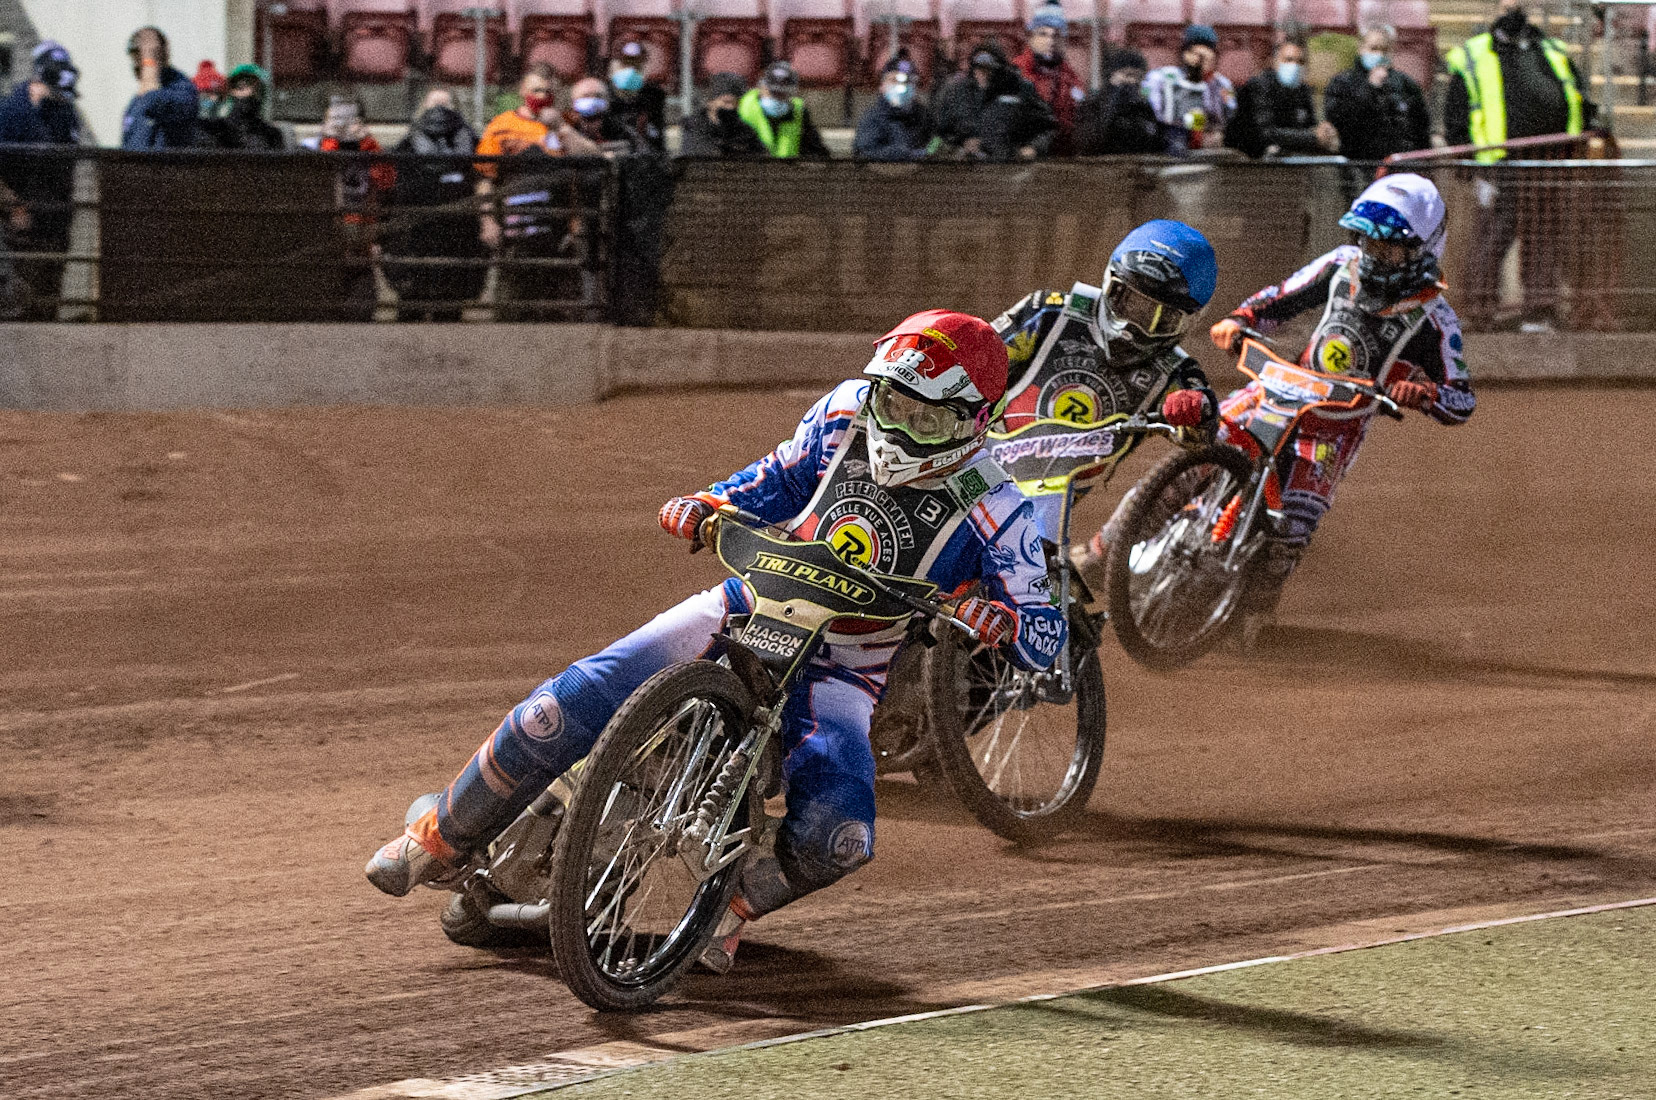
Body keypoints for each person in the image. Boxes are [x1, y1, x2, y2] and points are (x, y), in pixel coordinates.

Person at [364, 309, 1068, 974]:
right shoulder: (846, 410)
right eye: (892, 402)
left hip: (843, 667)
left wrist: (998, 619)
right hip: (746, 602)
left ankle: (728, 911)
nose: (898, 424)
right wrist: (708, 504)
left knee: (840, 836)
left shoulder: (1001, 508)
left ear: (972, 421)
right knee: (569, 699)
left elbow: (1046, 636)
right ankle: (437, 840)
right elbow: (776, 479)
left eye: (923, 415)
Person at [1206, 173, 1476, 639]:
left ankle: (1255, 608)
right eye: (1366, 242)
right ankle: (1107, 546)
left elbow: (1463, 398)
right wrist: (1240, 318)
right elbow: (1280, 299)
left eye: (1387, 249)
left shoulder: (1436, 317)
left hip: (1335, 426)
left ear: (1423, 250)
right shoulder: (1340, 265)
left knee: (1292, 526)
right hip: (1277, 391)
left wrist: (1427, 394)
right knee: (1199, 445)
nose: (1372, 255)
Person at [988, 220, 1220, 583]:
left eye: (1157, 317)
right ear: (1109, 281)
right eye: (1127, 300)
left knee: (1022, 594)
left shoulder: (1175, 370)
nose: (1132, 326)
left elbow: (1203, 434)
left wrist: (1195, 410)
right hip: (975, 461)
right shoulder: (1048, 313)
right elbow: (977, 361)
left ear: (1187, 320)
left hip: (1044, 503)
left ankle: (1105, 554)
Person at [1445, 0, 1590, 331]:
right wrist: (1467, 161)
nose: (1515, 6)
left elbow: (1576, 95)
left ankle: (1539, 310)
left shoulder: (1552, 49)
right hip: (1499, 164)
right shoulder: (1474, 53)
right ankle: (1480, 311)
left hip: (1550, 161)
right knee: (1493, 236)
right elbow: (1457, 110)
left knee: (1543, 237)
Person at [384, 88, 485, 321]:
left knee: (449, 306)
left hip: (458, 232)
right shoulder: (407, 145)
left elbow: (480, 179)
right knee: (411, 303)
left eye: (446, 105)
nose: (439, 112)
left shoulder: (472, 142)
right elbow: (396, 188)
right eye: (434, 105)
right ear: (423, 109)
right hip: (417, 233)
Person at [0, 40, 82, 320]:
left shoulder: (64, 113)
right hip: (23, 227)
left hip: (55, 221)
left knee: (49, 304)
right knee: (22, 303)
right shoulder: (11, 113)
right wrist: (13, 205)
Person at [302, 95, 397, 319]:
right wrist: (330, 139)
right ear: (324, 121)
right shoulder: (310, 146)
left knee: (362, 311)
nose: (343, 124)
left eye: (350, 118)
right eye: (336, 117)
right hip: (324, 242)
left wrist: (367, 142)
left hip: (362, 239)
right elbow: (315, 182)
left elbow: (387, 182)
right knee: (323, 312)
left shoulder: (370, 148)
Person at [1322, 24, 1432, 162]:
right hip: (1357, 164)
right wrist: (1370, 88)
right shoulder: (1342, 83)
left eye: (1384, 50)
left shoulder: (1406, 84)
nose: (1379, 55)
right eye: (1373, 48)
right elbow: (1339, 121)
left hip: (1398, 165)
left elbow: (1421, 127)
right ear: (1361, 48)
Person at [1227, 34, 1339, 159]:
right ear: (1275, 62)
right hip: (1251, 159)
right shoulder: (1260, 86)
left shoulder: (1303, 90)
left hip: (1289, 157)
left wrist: (1323, 132)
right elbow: (1266, 133)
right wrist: (1312, 137)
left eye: (1300, 62)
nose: (1295, 66)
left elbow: (1310, 126)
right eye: (1288, 60)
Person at [1143, 24, 1236, 154]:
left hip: (1210, 144)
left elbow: (1230, 113)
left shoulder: (1222, 84)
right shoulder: (1161, 77)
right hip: (1170, 139)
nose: (1200, 61)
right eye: (1196, 54)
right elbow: (1149, 106)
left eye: (1206, 55)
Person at [1013, 1, 1086, 156]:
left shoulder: (1072, 79)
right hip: (1021, 157)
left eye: (1057, 35)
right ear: (1031, 37)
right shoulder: (1015, 73)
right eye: (1043, 34)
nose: (1050, 41)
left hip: (1062, 160)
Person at [121, 27, 199, 149]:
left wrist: (150, 62)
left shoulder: (182, 90)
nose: (137, 65)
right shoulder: (135, 102)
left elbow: (152, 101)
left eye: (141, 57)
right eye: (135, 58)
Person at [1073, 48, 1161, 156]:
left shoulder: (1143, 107)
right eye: (1127, 75)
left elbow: (1153, 142)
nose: (1132, 81)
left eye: (1138, 77)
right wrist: (1112, 100)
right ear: (1111, 75)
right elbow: (1089, 142)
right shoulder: (1093, 104)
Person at [737, 61, 831, 159]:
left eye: (782, 94)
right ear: (762, 87)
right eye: (773, 93)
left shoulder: (799, 112)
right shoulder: (742, 110)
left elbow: (817, 152)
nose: (777, 98)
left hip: (787, 171)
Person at [853, 59, 934, 161]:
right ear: (882, 86)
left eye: (907, 81)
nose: (901, 87)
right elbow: (865, 153)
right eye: (894, 80)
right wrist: (906, 155)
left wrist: (930, 152)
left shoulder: (924, 116)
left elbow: (936, 140)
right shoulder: (872, 119)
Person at [198, 64, 288, 151]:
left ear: (260, 93)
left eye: (252, 86)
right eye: (238, 87)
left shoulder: (271, 134)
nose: (247, 92)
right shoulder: (214, 130)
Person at [678, 71, 767, 158]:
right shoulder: (694, 128)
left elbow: (761, 160)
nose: (731, 107)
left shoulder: (746, 133)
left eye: (736, 104)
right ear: (710, 102)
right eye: (726, 102)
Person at [607, 39, 667, 153]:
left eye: (636, 65)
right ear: (613, 65)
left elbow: (658, 139)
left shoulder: (654, 96)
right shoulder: (604, 95)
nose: (631, 70)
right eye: (626, 63)